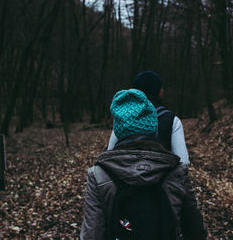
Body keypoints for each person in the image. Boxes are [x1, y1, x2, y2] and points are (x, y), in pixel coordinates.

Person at [80, 89, 206, 240]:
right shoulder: (177, 172)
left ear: (118, 131)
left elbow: (91, 234)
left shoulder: (98, 175)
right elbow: (196, 232)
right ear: (153, 128)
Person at [108, 71, 190, 164]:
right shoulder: (172, 120)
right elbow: (183, 162)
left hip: (123, 176)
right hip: (162, 176)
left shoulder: (123, 118)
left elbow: (110, 153)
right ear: (159, 91)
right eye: (162, 88)